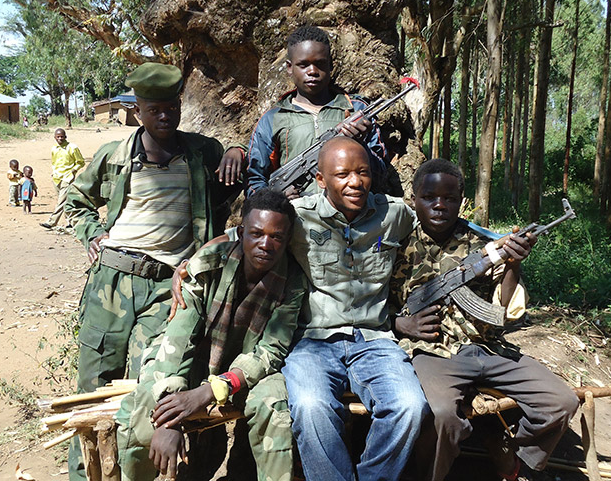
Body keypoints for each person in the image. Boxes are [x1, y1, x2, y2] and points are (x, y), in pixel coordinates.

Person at [63, 62, 245, 481]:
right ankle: (82, 473)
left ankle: (135, 472)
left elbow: (236, 159)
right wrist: (92, 232)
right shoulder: (114, 156)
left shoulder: (201, 153)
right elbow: (75, 198)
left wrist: (235, 146)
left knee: (153, 387)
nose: (166, 116)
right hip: (113, 281)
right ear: (138, 111)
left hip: (169, 288)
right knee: (92, 387)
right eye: (155, 109)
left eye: (173, 107)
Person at [390, 158, 579, 481]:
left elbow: (505, 310)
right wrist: (399, 324)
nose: (439, 205)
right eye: (430, 197)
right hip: (434, 351)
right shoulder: (394, 243)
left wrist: (513, 264)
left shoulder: (484, 244)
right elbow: (368, 304)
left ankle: (512, 454)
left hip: (487, 347)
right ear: (414, 199)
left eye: (450, 199)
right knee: (440, 415)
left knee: (560, 401)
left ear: (462, 203)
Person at [116, 189, 306, 481]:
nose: (265, 244)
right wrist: (169, 418)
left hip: (243, 374)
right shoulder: (209, 263)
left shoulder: (292, 281)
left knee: (274, 401)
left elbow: (271, 350)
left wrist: (212, 390)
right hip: (191, 363)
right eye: (256, 233)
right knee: (142, 409)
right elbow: (180, 338)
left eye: (277, 237)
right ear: (241, 232)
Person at [282, 136, 428, 481]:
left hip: (375, 339)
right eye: (342, 174)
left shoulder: (392, 214)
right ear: (321, 180)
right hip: (314, 340)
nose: (355, 182)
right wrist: (190, 267)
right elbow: (247, 234)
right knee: (310, 408)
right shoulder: (299, 218)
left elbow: (438, 229)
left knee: (409, 407)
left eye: (362, 172)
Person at [247, 25, 387, 197]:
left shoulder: (356, 109)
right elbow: (254, 180)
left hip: (351, 219)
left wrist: (361, 145)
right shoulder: (273, 118)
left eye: (320, 64)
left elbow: (381, 176)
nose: (312, 71)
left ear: (330, 65)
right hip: (295, 219)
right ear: (290, 68)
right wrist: (277, 200)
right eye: (303, 65)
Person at [40, 128, 85, 229]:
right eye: (58, 137)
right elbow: (54, 162)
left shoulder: (72, 148)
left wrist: (73, 171)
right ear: (55, 137)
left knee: (61, 201)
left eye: (62, 136)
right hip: (56, 178)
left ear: (65, 137)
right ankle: (72, 222)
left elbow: (81, 162)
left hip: (67, 178)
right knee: (66, 201)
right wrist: (53, 173)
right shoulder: (54, 148)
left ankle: (52, 222)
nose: (60, 138)